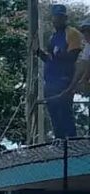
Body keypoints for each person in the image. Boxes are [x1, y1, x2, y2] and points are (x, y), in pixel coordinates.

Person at [37, 4, 83, 139]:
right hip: (50, 82)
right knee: (54, 117)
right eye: (56, 17)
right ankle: (59, 144)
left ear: (65, 18)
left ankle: (72, 145)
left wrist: (56, 54)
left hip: (64, 81)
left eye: (60, 17)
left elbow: (72, 57)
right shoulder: (53, 37)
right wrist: (39, 53)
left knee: (65, 115)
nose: (57, 20)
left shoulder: (72, 33)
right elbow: (51, 60)